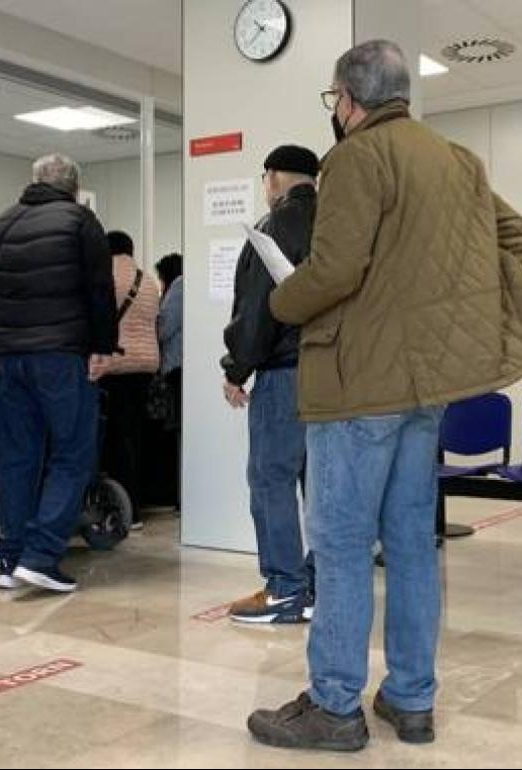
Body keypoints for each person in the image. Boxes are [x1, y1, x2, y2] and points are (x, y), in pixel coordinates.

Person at [247, 40, 522, 751]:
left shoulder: (358, 156)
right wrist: (435, 295)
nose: (334, 111)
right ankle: (411, 699)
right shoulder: (454, 158)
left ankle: (333, 705)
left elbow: (332, 271)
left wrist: (280, 302)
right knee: (411, 545)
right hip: (424, 387)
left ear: (350, 100)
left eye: (333, 99)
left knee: (339, 546)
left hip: (360, 383)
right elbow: (514, 233)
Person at [0, 153, 117, 593]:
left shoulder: (5, 223)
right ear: (75, 189)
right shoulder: (81, 220)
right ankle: (41, 556)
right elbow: (100, 288)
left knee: (17, 457)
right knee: (72, 452)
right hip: (60, 356)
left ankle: (11, 558)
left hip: (8, 356)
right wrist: (102, 346)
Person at [222, 145, 319, 625]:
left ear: (275, 178)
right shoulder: (338, 223)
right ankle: (316, 583)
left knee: (270, 479)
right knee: (317, 483)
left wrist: (237, 368)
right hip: (330, 375)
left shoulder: (273, 228)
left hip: (284, 373)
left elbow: (259, 309)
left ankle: (284, 589)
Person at [100, 230, 161, 528]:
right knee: (134, 437)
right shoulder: (147, 280)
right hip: (145, 367)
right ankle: (136, 504)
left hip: (115, 365)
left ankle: (124, 510)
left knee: (114, 440)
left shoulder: (106, 275)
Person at [156, 252, 184, 506]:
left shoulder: (178, 286)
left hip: (177, 367)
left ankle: (181, 496)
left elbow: (164, 327)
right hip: (185, 367)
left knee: (180, 432)